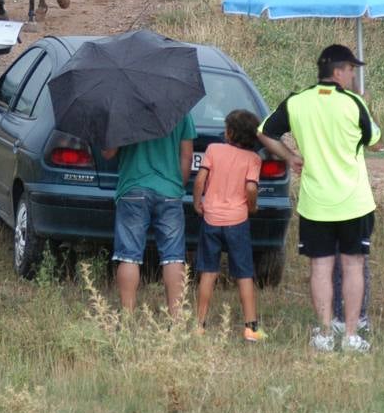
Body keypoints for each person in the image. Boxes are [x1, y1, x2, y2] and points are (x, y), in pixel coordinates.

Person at [259, 44, 382, 353]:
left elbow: (264, 132)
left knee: (320, 268)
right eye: (352, 69)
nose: (354, 75)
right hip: (354, 201)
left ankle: (325, 333)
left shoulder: (297, 102)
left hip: (316, 203)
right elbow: (375, 141)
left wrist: (290, 156)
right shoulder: (353, 103)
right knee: (353, 266)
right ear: (338, 72)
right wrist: (365, 106)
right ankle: (352, 334)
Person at [100, 112, 194, 316]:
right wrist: (177, 186)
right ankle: (176, 318)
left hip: (133, 188)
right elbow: (186, 155)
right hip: (170, 190)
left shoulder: (125, 111)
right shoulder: (180, 111)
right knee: (173, 256)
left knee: (129, 255)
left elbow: (108, 153)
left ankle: (127, 316)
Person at [193, 109, 265, 342]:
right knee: (244, 273)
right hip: (237, 221)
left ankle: (200, 324)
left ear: (230, 132)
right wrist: (252, 206)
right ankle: (250, 327)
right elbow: (251, 188)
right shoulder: (254, 159)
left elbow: (201, 180)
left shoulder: (214, 150)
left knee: (208, 271)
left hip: (211, 218)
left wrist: (198, 203)